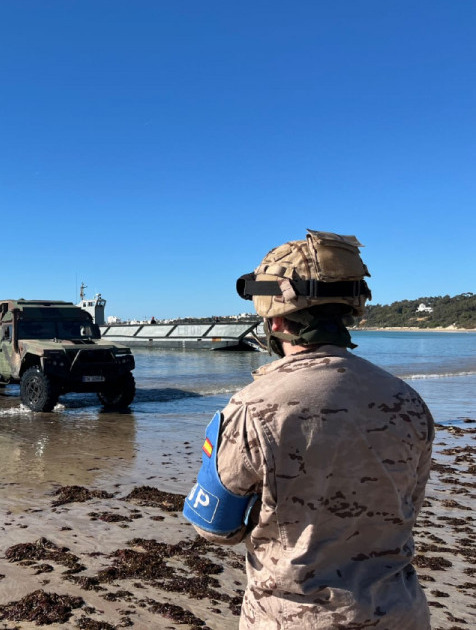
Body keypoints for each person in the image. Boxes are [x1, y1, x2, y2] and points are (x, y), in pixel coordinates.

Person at [182, 230, 434, 629]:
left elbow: (215, 527)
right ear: (352, 310)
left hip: (293, 617)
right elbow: (408, 508)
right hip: (400, 614)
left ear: (275, 318)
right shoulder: (408, 403)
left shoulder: (253, 407)